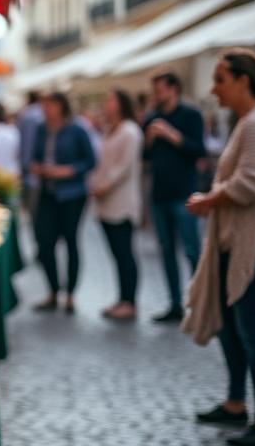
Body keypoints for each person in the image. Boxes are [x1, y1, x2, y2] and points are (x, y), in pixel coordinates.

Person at [183, 48, 255, 446]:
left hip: (253, 249)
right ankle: (236, 404)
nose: (213, 89)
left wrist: (209, 201)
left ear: (242, 81)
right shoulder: (245, 123)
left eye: (220, 79)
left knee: (254, 333)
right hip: (233, 243)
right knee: (234, 329)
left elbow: (253, 182)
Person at [144, 70, 207, 323]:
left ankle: (201, 304)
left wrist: (170, 134)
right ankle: (175, 304)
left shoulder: (190, 115)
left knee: (192, 251)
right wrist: (149, 139)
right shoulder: (152, 118)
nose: (157, 95)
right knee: (167, 251)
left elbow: (198, 149)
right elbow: (145, 158)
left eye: (160, 89)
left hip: (184, 193)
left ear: (173, 89)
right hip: (159, 194)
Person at [31, 92, 97, 313]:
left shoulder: (77, 129)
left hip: (71, 194)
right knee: (45, 241)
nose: (46, 109)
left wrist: (67, 171)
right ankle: (53, 290)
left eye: (49, 104)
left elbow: (90, 160)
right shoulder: (42, 129)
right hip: (47, 191)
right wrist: (38, 167)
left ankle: (70, 294)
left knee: (70, 241)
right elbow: (35, 155)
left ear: (60, 106)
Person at [89, 90, 142, 321]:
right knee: (117, 254)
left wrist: (104, 185)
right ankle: (122, 298)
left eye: (109, 100)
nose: (105, 103)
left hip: (122, 201)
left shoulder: (130, 131)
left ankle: (129, 301)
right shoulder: (111, 130)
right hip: (106, 202)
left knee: (124, 253)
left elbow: (123, 166)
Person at [16, 90, 45, 213]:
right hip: (38, 168)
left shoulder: (28, 115)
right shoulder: (38, 114)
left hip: (30, 167)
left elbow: (25, 144)